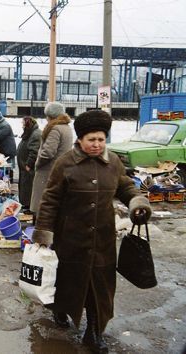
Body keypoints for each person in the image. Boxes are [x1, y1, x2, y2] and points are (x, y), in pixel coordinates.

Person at [31, 110, 151, 352]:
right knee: (68, 281)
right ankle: (61, 309)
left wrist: (137, 203)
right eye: (91, 140)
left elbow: (126, 187)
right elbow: (50, 199)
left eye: (101, 139)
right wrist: (44, 231)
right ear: (80, 140)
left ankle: (94, 332)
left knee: (100, 288)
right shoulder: (65, 163)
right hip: (71, 237)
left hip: (103, 239)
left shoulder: (113, 162)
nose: (97, 145)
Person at [30, 102, 75, 216]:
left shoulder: (55, 129)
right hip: (60, 169)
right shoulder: (66, 127)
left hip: (48, 170)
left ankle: (41, 226)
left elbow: (48, 152)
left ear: (50, 115)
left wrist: (38, 163)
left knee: (43, 202)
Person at [16, 116, 42, 212]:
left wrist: (29, 164)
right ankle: (26, 204)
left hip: (27, 166)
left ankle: (29, 205)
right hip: (24, 165)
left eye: (23, 123)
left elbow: (34, 151)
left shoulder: (35, 134)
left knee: (28, 185)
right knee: (25, 184)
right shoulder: (30, 132)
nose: (22, 126)